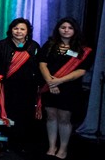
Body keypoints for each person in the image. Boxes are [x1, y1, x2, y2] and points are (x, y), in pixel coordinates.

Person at [38, 17, 93, 160]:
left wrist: (60, 81)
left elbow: (81, 71)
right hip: (49, 86)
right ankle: (51, 146)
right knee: (50, 115)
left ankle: (63, 149)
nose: (66, 30)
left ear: (75, 30)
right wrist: (51, 82)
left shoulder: (82, 49)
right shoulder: (50, 45)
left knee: (64, 118)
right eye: (63, 27)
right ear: (58, 29)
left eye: (70, 28)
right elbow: (42, 64)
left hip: (69, 88)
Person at [0, 18, 41, 153]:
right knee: (8, 113)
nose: (19, 31)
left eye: (22, 29)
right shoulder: (2, 45)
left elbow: (38, 67)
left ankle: (21, 143)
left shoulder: (33, 46)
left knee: (24, 115)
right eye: (16, 28)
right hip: (7, 88)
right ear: (11, 30)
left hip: (27, 89)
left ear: (27, 31)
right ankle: (6, 141)